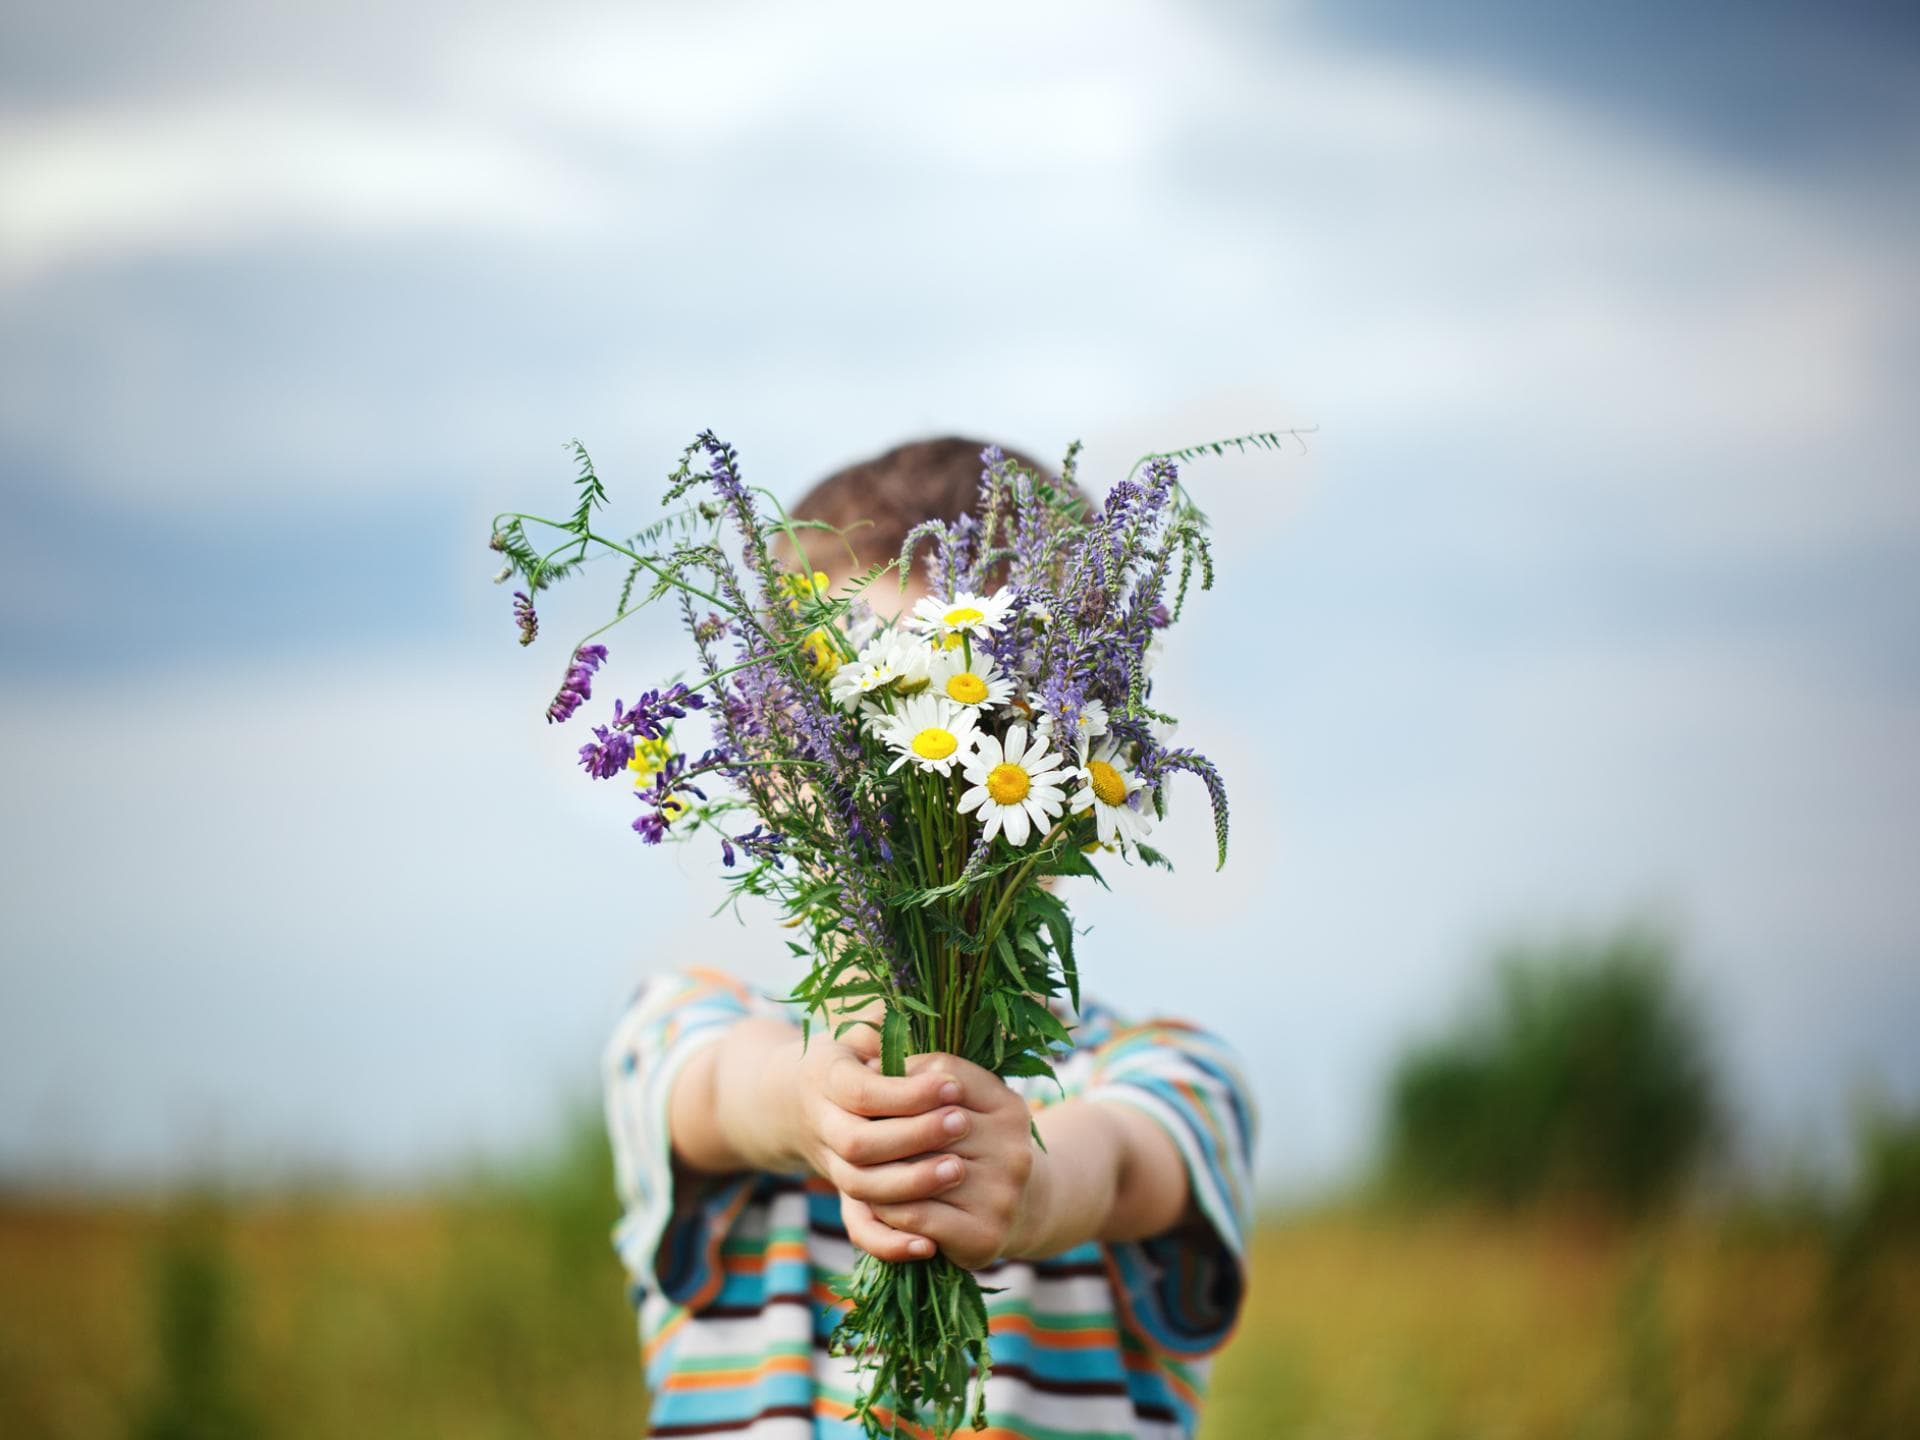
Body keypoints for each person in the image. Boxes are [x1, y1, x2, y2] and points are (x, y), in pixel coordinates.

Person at [602, 437, 1256, 1439]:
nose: (913, 776)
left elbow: (1121, 1164)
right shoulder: (684, 1027)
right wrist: (811, 1106)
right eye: (850, 712)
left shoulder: (1164, 1073)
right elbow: (714, 1093)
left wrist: (1027, 1191)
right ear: (771, 753)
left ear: (1078, 750)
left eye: (981, 712)